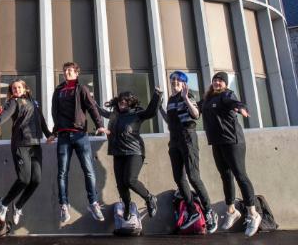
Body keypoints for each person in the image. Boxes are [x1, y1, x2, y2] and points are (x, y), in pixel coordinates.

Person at [199, 71, 261, 237]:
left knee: (240, 175)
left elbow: (235, 102)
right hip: (217, 142)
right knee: (225, 176)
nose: (217, 83)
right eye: (215, 80)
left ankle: (253, 214)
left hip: (232, 141)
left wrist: (241, 109)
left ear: (225, 84)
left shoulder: (226, 95)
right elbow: (195, 107)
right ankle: (232, 210)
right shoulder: (207, 99)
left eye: (220, 81)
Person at [47, 62, 107, 223]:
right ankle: (64, 205)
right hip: (63, 137)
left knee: (88, 170)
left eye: (69, 70)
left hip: (80, 135)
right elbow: (55, 113)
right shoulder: (58, 91)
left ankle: (93, 203)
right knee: (62, 172)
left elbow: (92, 107)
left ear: (76, 73)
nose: (66, 72)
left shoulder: (82, 89)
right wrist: (54, 132)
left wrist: (100, 125)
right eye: (65, 70)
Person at [158, 71, 218, 233]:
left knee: (193, 176)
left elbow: (196, 114)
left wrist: (185, 98)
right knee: (179, 178)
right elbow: (170, 120)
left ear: (184, 83)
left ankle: (208, 210)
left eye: (178, 79)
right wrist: (160, 107)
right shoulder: (171, 100)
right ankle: (192, 210)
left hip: (188, 138)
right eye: (173, 79)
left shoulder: (188, 95)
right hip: (174, 140)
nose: (175, 82)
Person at [98, 90, 162, 222]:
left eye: (126, 100)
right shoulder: (115, 115)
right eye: (121, 100)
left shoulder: (137, 114)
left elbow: (151, 112)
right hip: (118, 152)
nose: (123, 102)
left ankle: (149, 198)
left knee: (130, 180)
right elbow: (101, 112)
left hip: (134, 151)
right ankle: (127, 207)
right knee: (121, 185)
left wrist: (157, 95)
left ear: (131, 103)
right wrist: (90, 99)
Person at [0, 79, 52, 225]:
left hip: (35, 145)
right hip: (20, 144)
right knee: (24, 179)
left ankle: (18, 206)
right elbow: (5, 115)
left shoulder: (34, 102)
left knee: (36, 180)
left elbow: (41, 120)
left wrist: (48, 133)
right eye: (13, 88)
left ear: (25, 89)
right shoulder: (13, 102)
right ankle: (4, 203)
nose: (16, 90)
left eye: (19, 87)